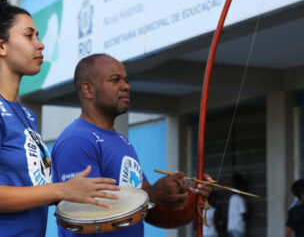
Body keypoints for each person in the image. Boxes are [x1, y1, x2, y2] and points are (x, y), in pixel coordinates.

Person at [0, 0, 119, 236]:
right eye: (29, 36)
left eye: (37, 36)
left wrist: (79, 193)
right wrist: (62, 190)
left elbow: (28, 188)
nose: (40, 44)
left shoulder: (26, 115)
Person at [52, 53, 214, 237]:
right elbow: (83, 218)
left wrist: (185, 196)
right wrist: (152, 196)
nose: (126, 86)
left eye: (126, 80)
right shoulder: (78, 140)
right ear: (88, 90)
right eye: (115, 80)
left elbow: (151, 213)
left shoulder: (121, 141)